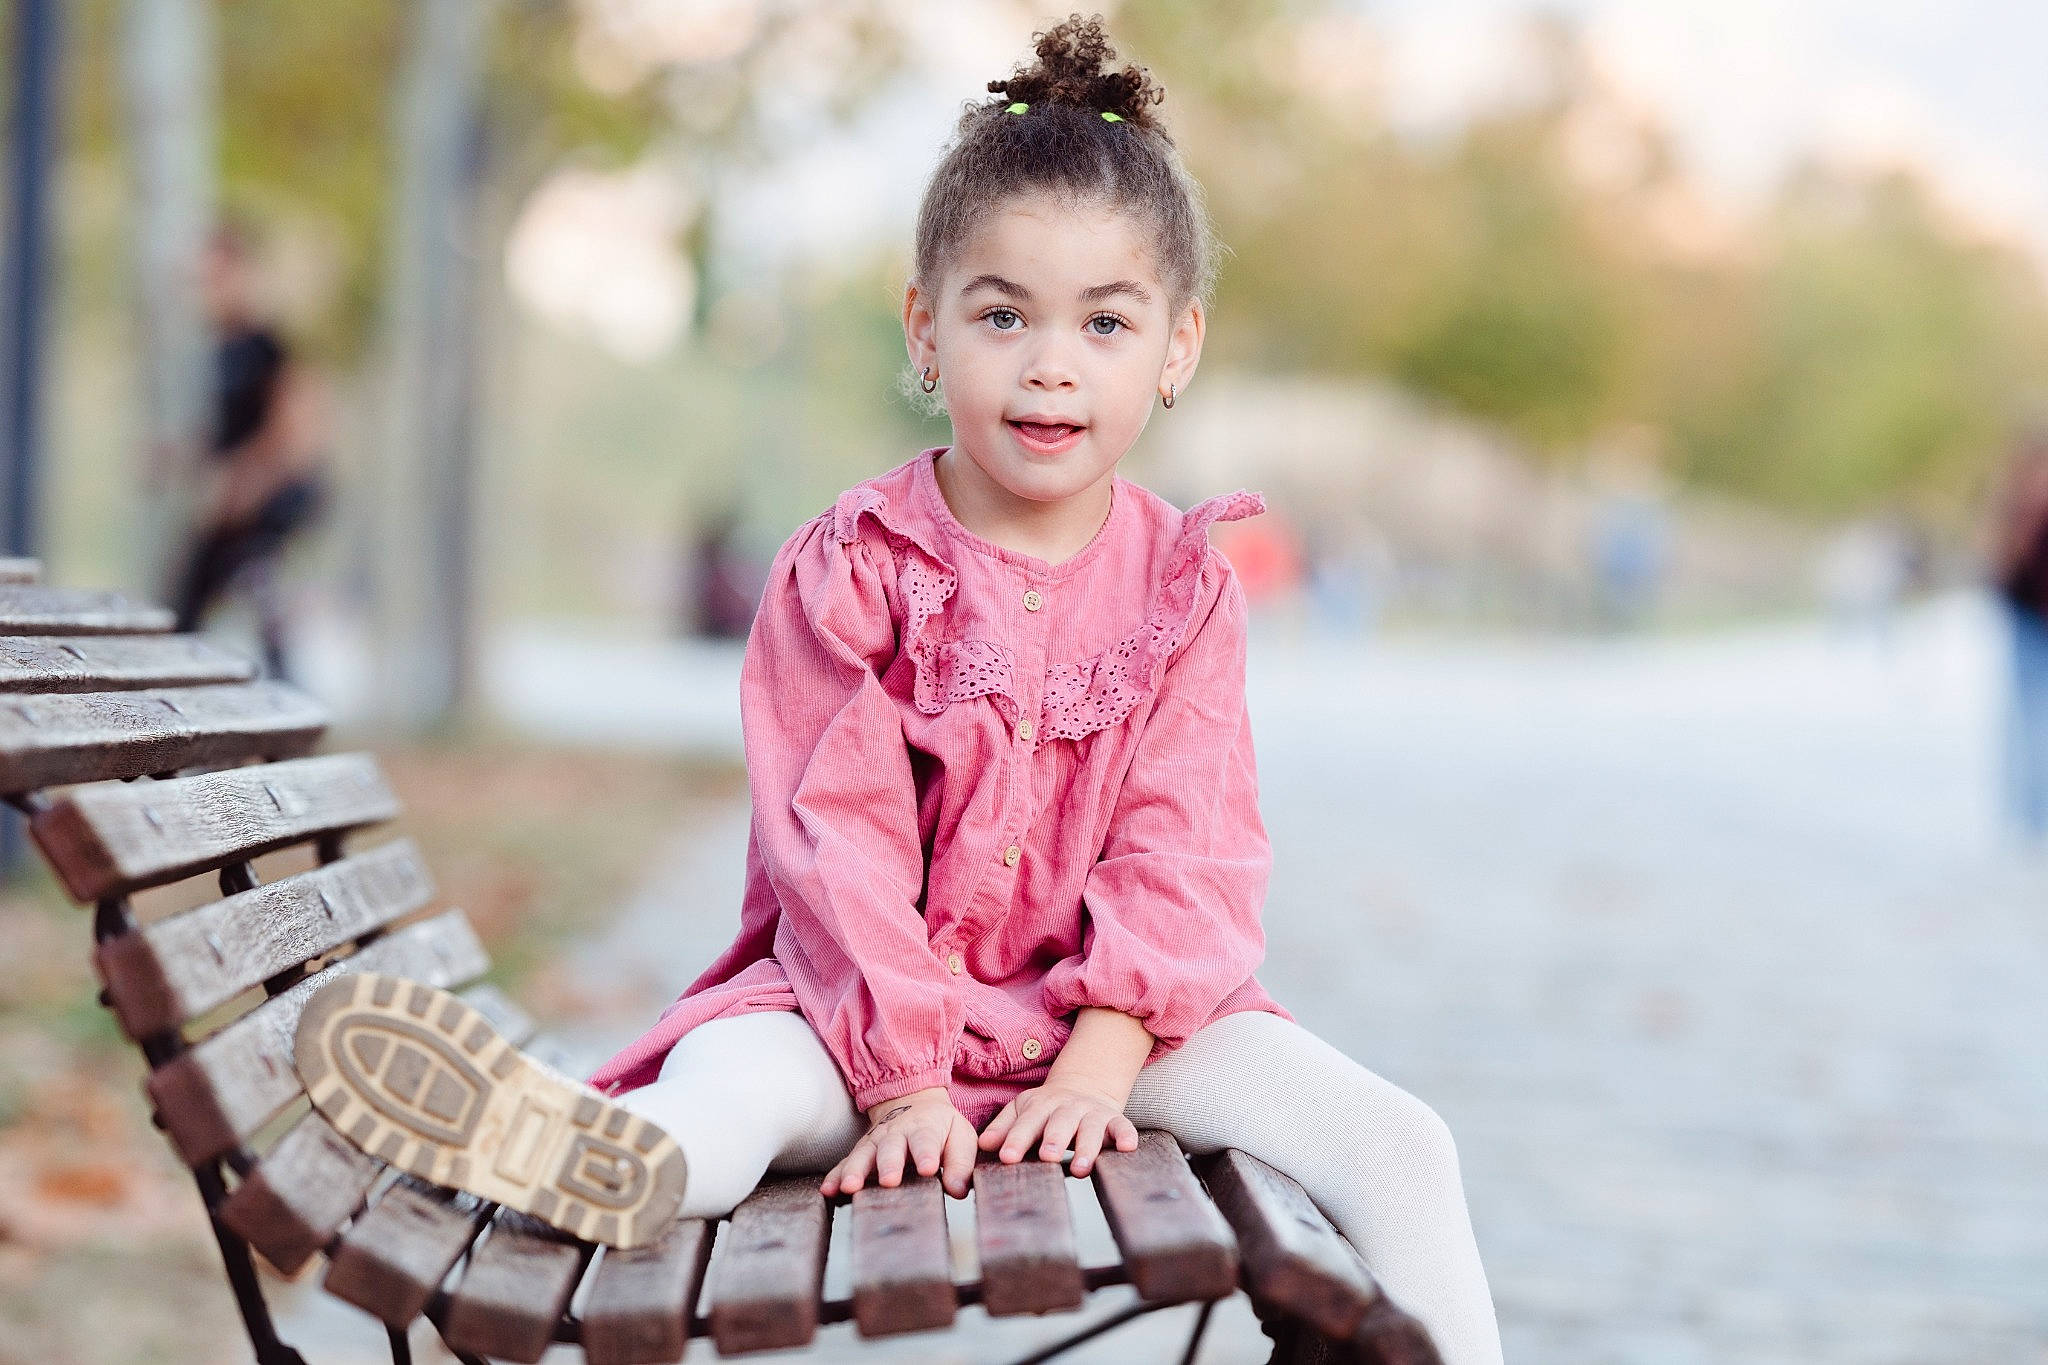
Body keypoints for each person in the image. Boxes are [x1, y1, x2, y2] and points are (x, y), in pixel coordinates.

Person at [300, 19, 1502, 1361]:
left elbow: (1190, 841)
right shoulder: (856, 569)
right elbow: (840, 842)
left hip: (1106, 1019)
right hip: (852, 1020)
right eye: (1004, 315)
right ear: (926, 330)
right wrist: (903, 1082)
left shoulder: (1183, 585)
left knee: (1400, 1146)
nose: (1053, 361)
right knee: (726, 1109)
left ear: (1177, 348)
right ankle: (547, 1144)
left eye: (1106, 322)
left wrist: (1103, 1060)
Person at [164, 221, 329, 681]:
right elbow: (222, 437)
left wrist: (249, 479)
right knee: (188, 607)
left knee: (256, 595)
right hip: (235, 508)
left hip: (269, 504)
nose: (210, 289)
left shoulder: (267, 345)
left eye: (219, 276)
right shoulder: (218, 350)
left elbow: (296, 430)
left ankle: (287, 706)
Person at [1992, 424, 2048, 839]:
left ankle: (2028, 809)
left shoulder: (2019, 495)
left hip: (2024, 611)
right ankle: (2032, 809)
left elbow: (2005, 560)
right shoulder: (2028, 498)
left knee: (2026, 713)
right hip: (2029, 612)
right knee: (2032, 714)